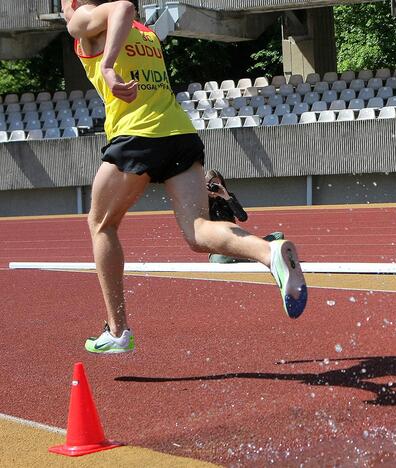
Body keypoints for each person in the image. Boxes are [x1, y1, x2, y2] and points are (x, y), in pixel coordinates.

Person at [62, 0, 307, 354]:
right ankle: (269, 253)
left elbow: (124, 7)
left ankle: (118, 331)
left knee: (100, 223)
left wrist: (109, 66)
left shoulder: (84, 21)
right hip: (179, 133)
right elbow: (127, 12)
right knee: (196, 231)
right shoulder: (144, 33)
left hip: (138, 135)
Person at [205, 169, 283, 263]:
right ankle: (255, 256)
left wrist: (227, 198)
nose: (215, 187)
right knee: (220, 259)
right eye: (212, 184)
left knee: (278, 236)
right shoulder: (203, 200)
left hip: (237, 242)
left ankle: (253, 254)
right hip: (219, 248)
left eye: (218, 183)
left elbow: (243, 217)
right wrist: (205, 196)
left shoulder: (229, 197)